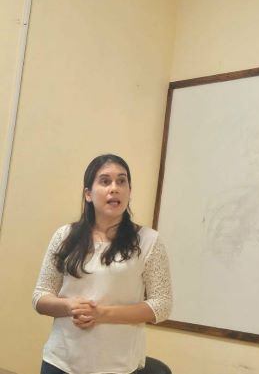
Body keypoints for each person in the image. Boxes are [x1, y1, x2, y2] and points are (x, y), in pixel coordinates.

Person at [33, 154, 172, 374]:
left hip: (117, 366)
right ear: (88, 194)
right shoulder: (65, 235)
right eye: (105, 181)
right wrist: (68, 306)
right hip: (60, 361)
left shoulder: (149, 241)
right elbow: (40, 296)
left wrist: (101, 314)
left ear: (129, 191)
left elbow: (161, 305)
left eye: (121, 181)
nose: (114, 188)